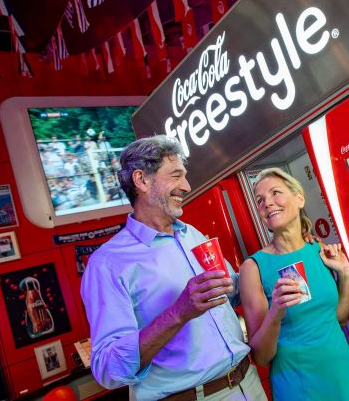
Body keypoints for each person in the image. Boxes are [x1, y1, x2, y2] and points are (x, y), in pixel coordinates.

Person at [80, 135, 267, 401]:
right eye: (176, 175)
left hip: (248, 384)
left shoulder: (192, 234)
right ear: (142, 180)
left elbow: (231, 293)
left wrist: (275, 258)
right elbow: (108, 369)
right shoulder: (107, 264)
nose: (187, 186)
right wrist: (178, 313)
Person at [239, 168, 349, 400]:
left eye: (275, 193)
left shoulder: (318, 251)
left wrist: (345, 275)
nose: (267, 203)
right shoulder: (253, 268)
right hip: (299, 386)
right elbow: (261, 356)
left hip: (344, 377)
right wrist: (276, 312)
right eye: (260, 200)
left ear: (299, 198)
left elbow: (338, 319)